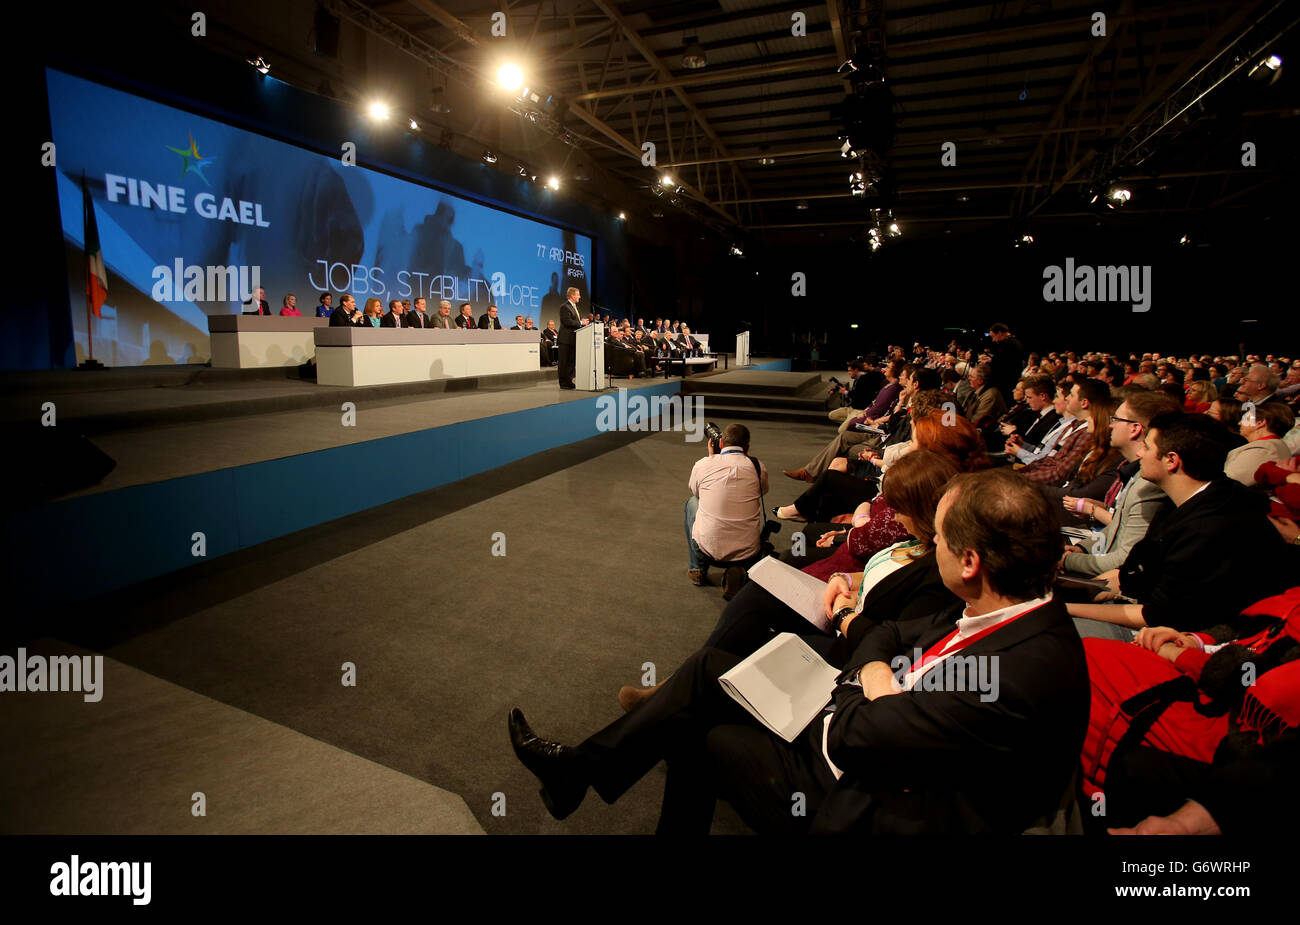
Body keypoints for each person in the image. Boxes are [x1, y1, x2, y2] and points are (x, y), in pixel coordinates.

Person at [508, 468, 1089, 833]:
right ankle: (575, 772)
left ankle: (577, 775)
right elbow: (886, 637)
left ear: (969, 561)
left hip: (858, 791)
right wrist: (878, 674)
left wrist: (871, 681)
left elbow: (860, 730)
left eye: (937, 538)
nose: (927, 545)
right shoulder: (1002, 608)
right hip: (860, 725)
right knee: (712, 669)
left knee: (700, 733)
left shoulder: (1018, 670)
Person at [1066, 413, 1290, 639]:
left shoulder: (1210, 526)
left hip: (1192, 636)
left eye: (1147, 447)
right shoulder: (1195, 499)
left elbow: (1157, 616)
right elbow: (1137, 573)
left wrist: (1064, 608)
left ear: (1171, 460)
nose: (1140, 454)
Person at [1058, 389, 1180, 577]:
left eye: (1115, 420)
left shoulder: (1148, 484)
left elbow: (1125, 558)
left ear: (1135, 428)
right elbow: (1117, 527)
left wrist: (1067, 560)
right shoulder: (1134, 471)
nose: (1110, 426)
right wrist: (1084, 548)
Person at [685, 424, 767, 598]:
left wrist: (710, 458)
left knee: (692, 503)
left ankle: (697, 569)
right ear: (747, 447)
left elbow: (696, 491)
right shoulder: (758, 467)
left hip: (707, 550)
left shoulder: (703, 464)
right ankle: (735, 569)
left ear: (720, 442)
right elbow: (762, 491)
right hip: (748, 552)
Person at [1223, 401, 1294, 485]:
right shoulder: (1274, 445)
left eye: (1245, 419)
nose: (1239, 423)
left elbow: (1228, 483)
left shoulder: (1262, 450)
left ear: (1259, 423)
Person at [556, 286, 587, 389]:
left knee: (571, 362)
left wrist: (583, 323)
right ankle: (563, 382)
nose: (580, 296)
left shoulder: (575, 307)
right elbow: (567, 322)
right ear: (572, 295)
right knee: (564, 362)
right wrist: (581, 322)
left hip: (574, 339)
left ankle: (569, 381)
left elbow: (576, 322)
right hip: (565, 340)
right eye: (578, 294)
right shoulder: (564, 307)